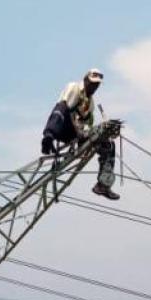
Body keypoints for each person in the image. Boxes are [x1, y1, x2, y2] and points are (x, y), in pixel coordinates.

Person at [40, 68, 120, 201]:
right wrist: (50, 134)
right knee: (62, 107)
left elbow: (88, 124)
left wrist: (98, 134)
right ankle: (49, 135)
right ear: (85, 80)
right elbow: (61, 109)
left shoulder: (91, 103)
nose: (94, 87)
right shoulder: (74, 88)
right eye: (92, 83)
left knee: (108, 144)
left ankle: (103, 185)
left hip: (77, 133)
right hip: (62, 127)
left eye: (97, 85)